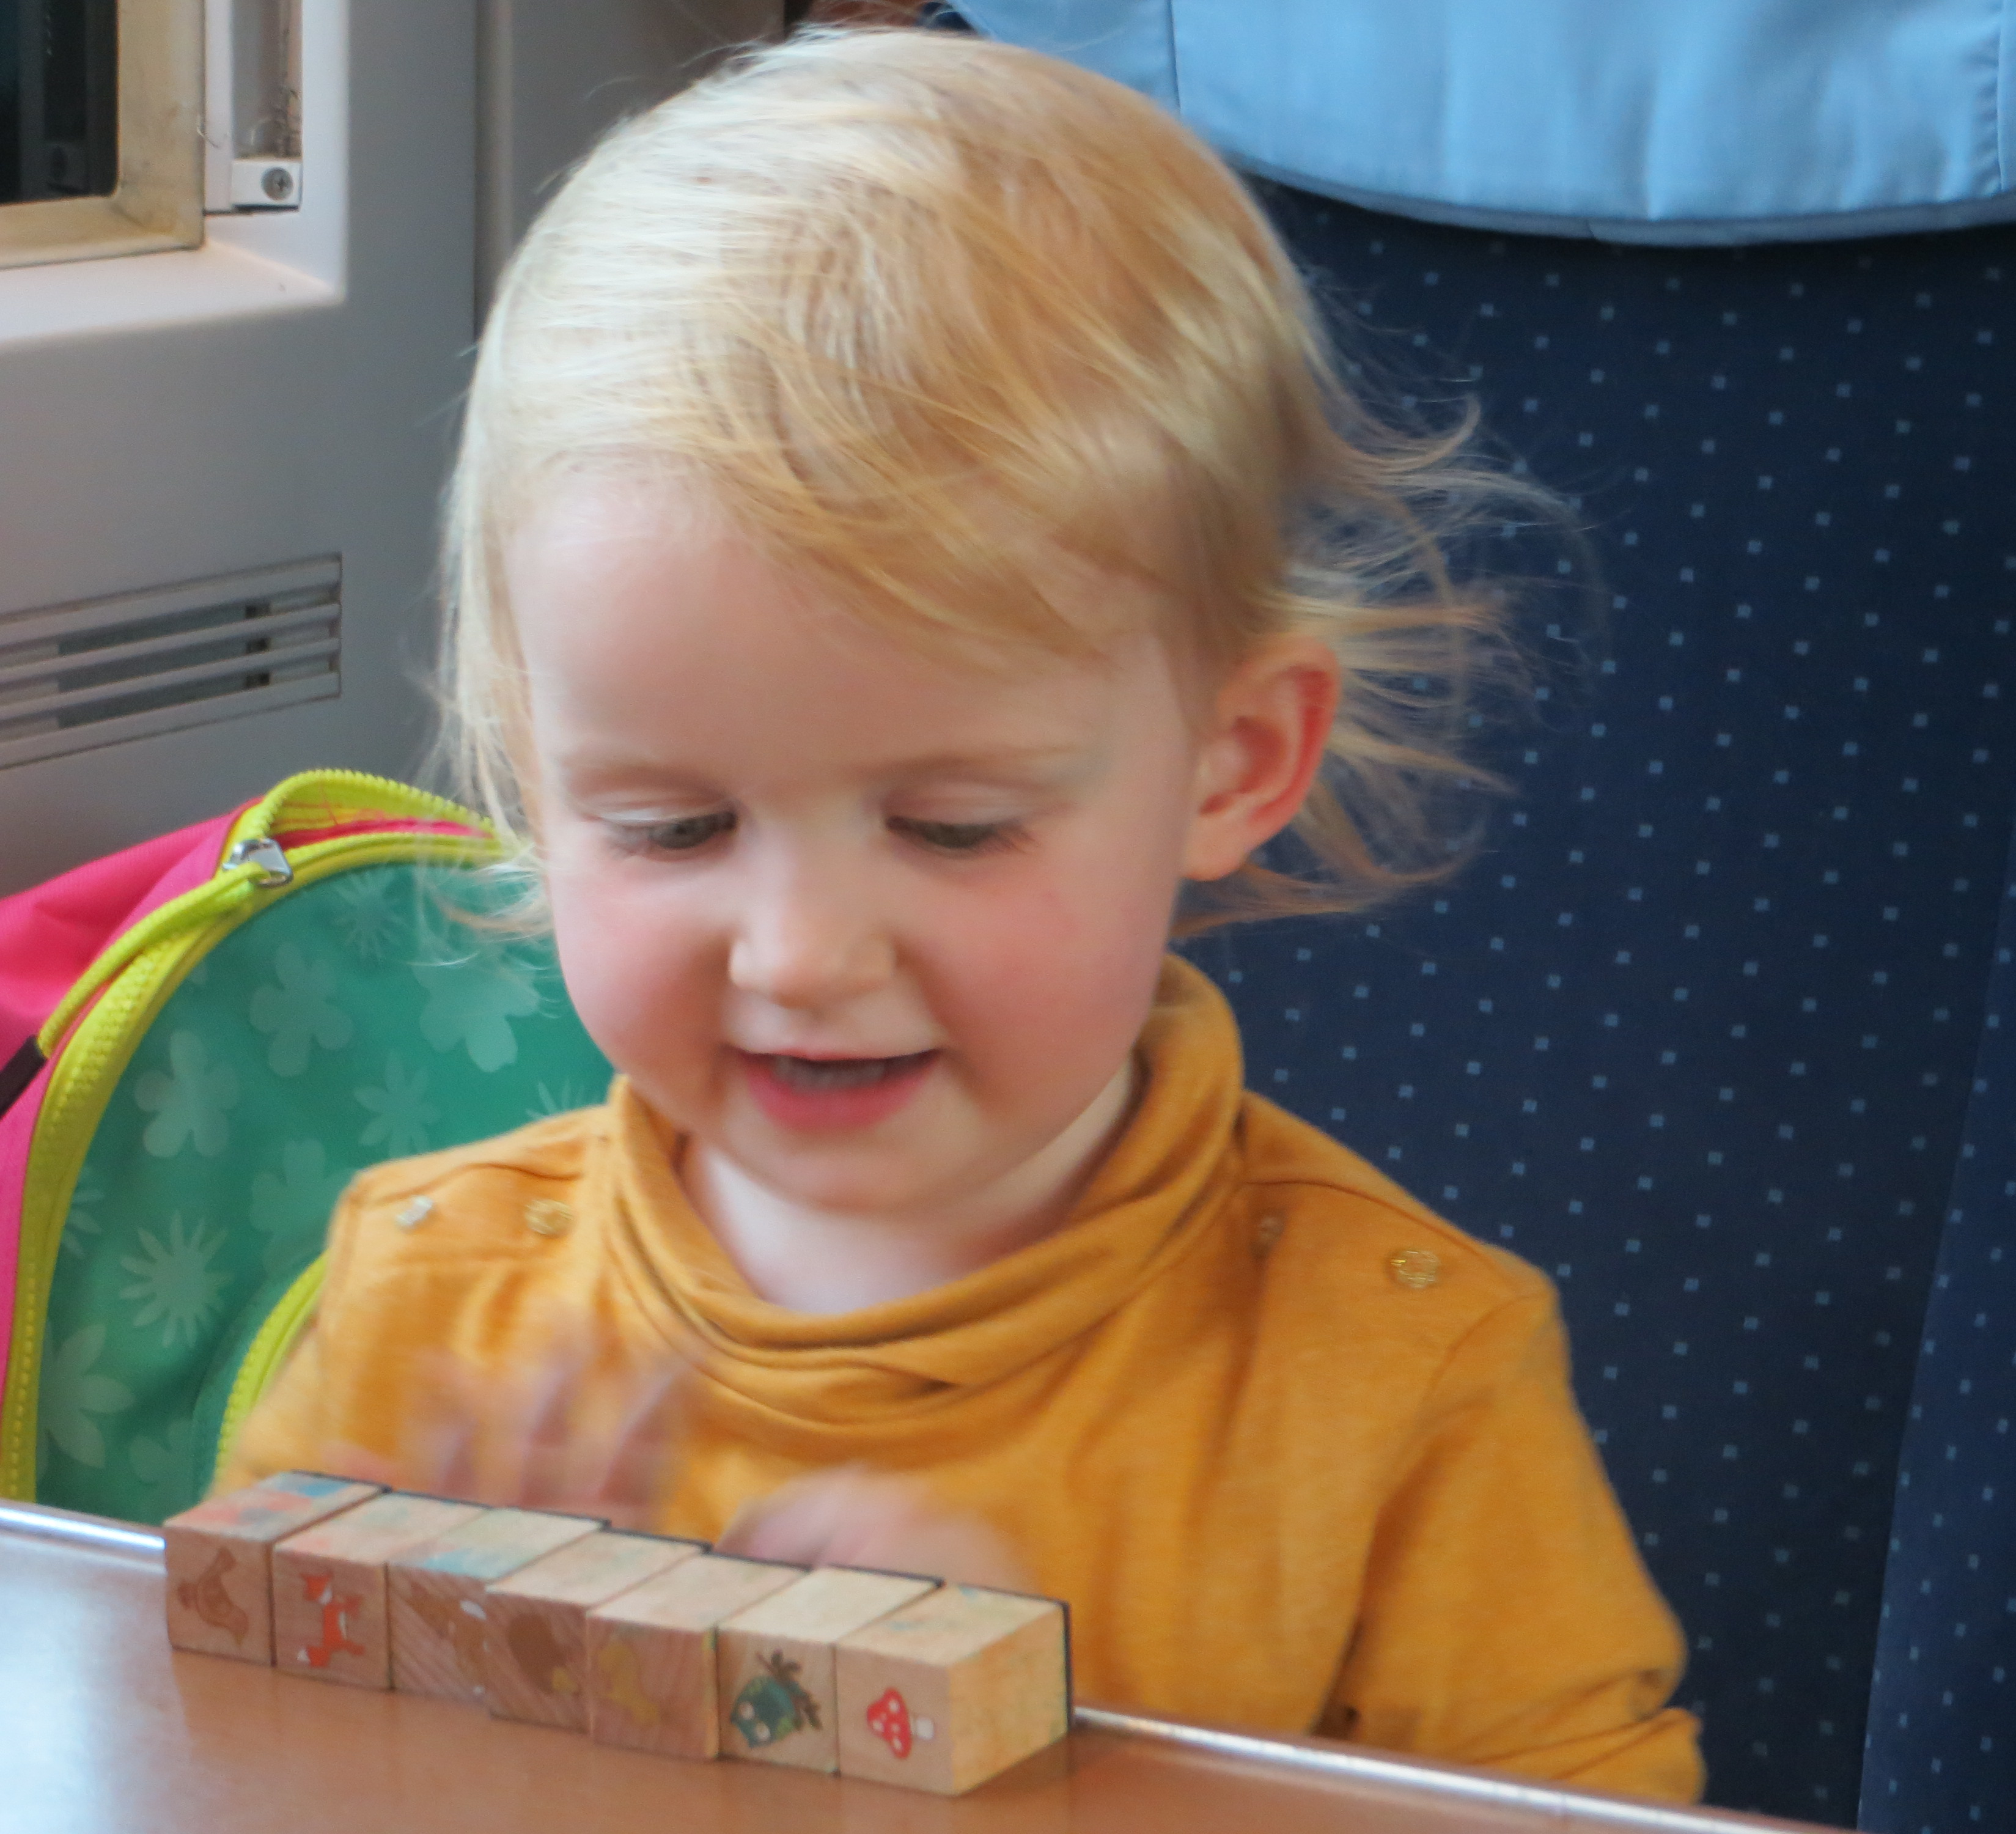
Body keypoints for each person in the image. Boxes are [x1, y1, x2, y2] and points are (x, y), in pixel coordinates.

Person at [223, 25, 1701, 1799]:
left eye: (952, 827)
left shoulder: (1396, 1379)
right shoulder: (425, 1303)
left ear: (1232, 762)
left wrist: (1042, 1767)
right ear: (534, 775)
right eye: (677, 826)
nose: (800, 956)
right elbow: (220, 1774)